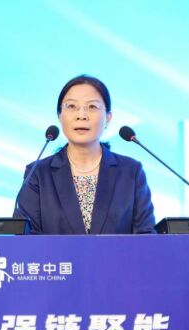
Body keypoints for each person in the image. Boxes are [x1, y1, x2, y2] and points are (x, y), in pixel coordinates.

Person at [14, 75, 155, 234]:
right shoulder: (38, 174)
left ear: (108, 118)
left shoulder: (131, 172)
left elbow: (146, 236)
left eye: (92, 107)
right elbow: (25, 239)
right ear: (60, 116)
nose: (81, 115)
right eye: (71, 106)